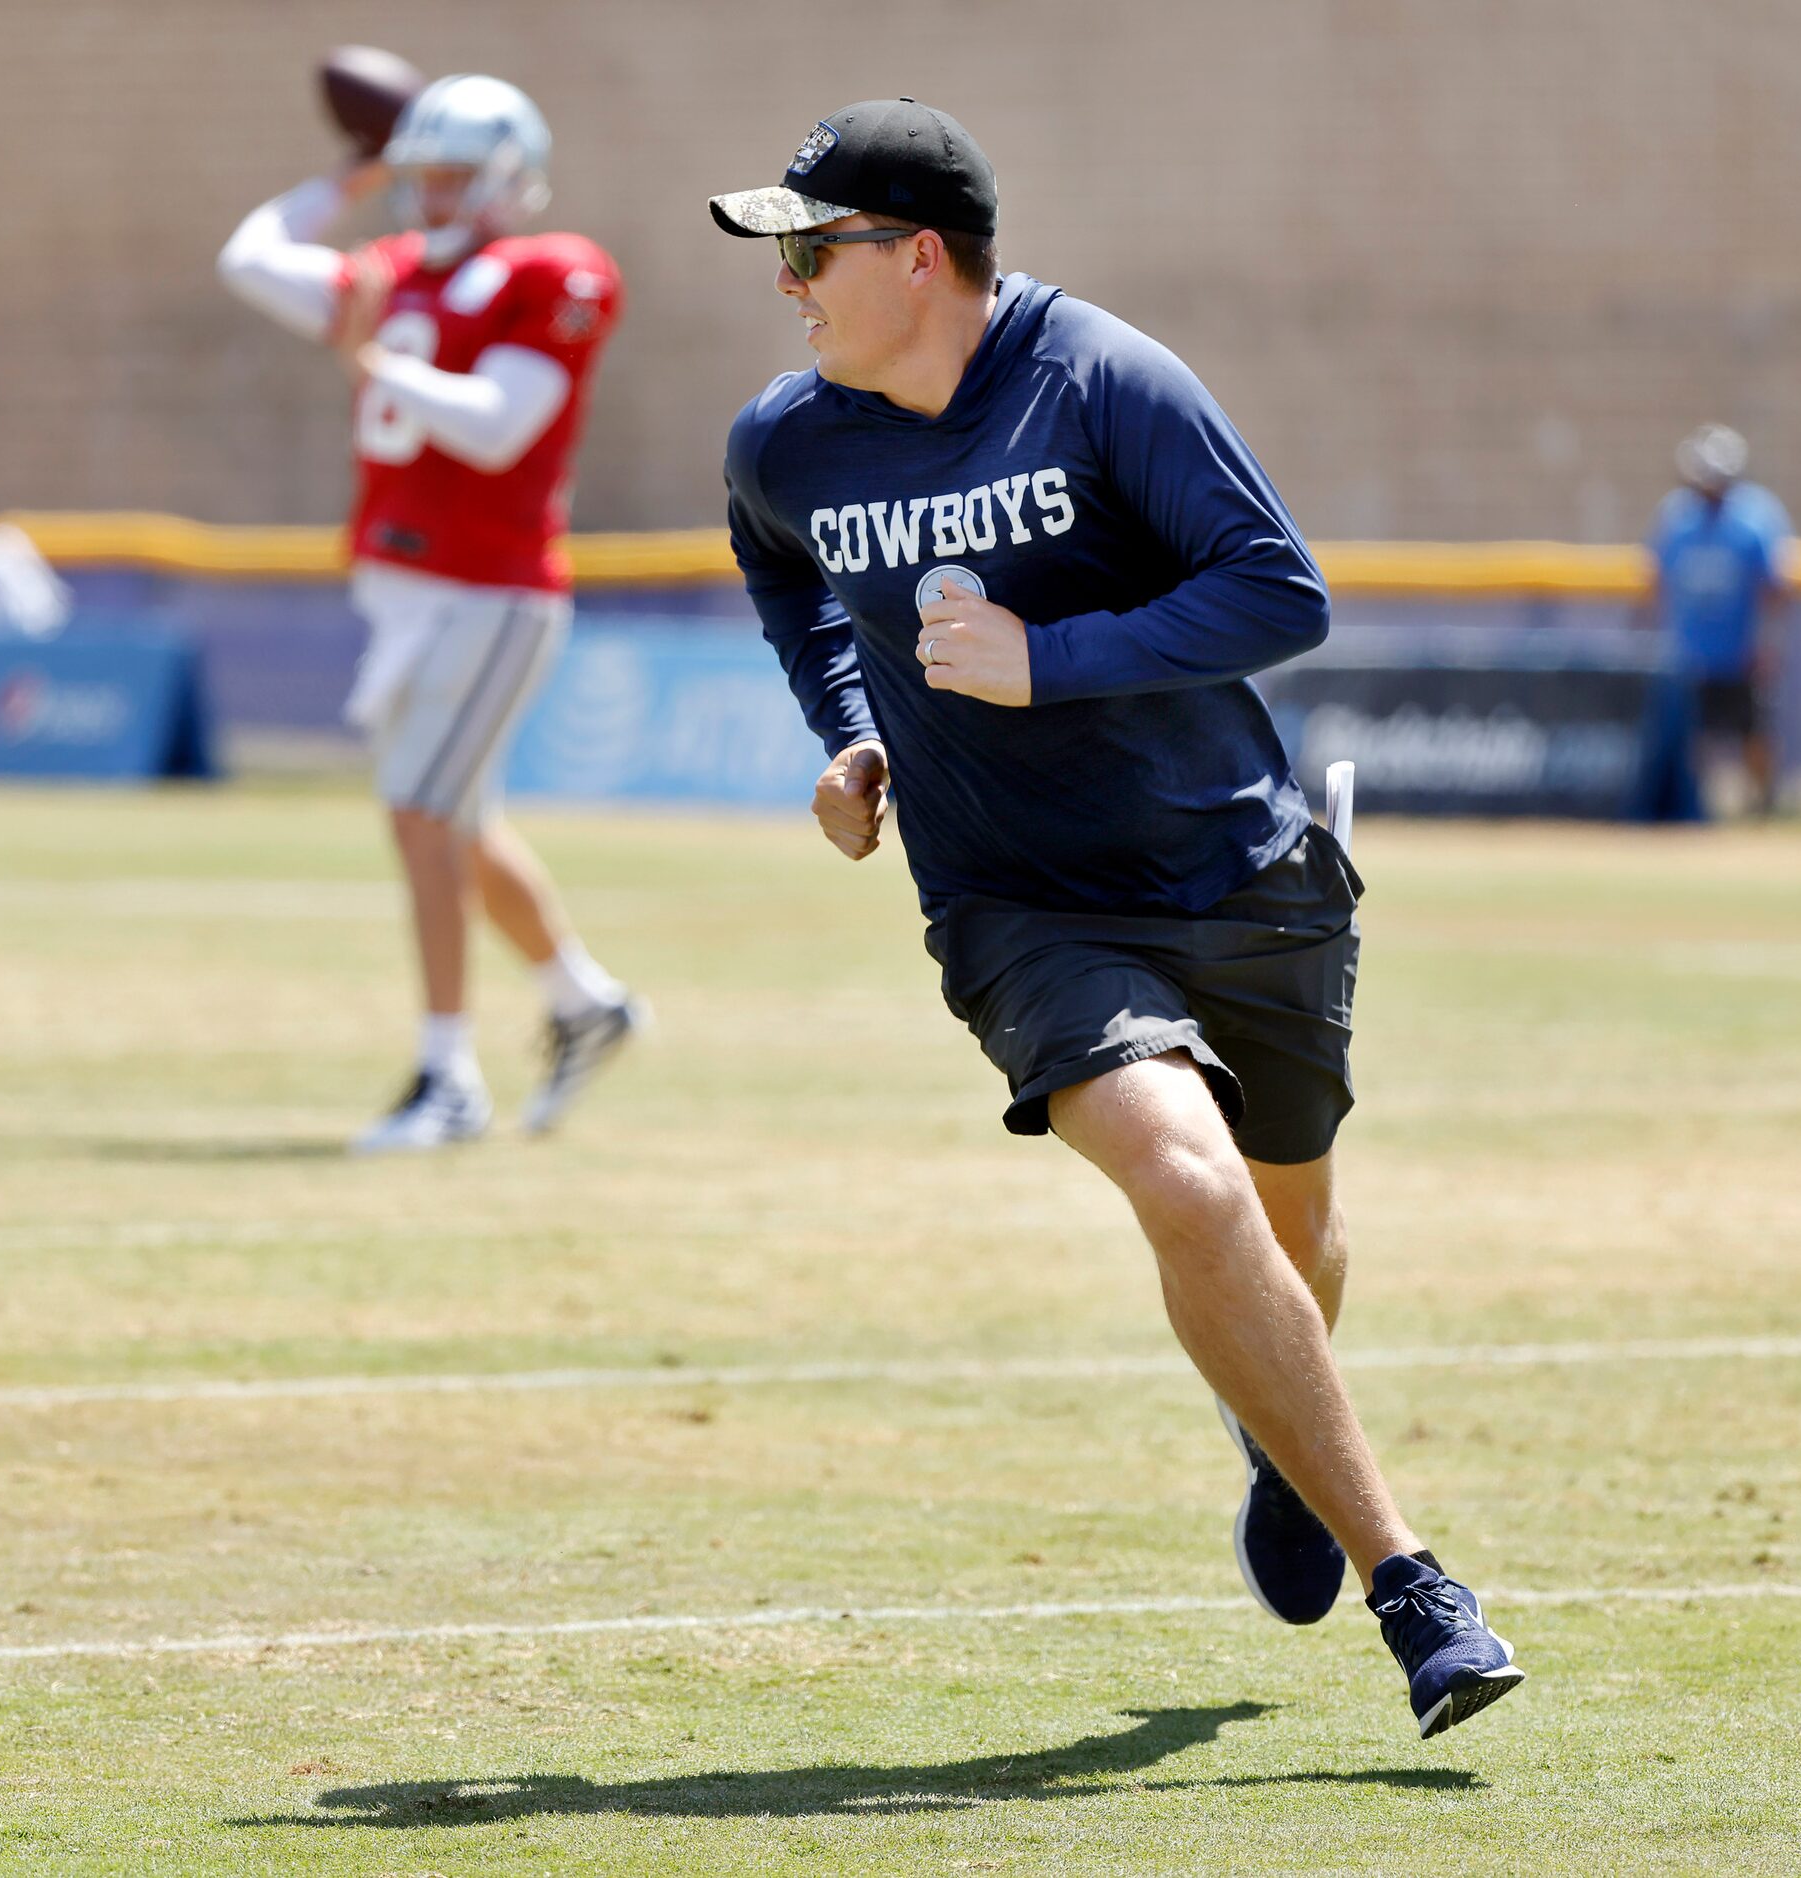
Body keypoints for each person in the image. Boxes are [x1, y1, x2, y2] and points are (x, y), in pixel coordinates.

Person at [712, 98, 1524, 1737]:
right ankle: (1414, 1586)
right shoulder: (788, 441)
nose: (787, 283)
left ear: (914, 254)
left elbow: (1274, 587)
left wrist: (1049, 658)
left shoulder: (1100, 380)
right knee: (1181, 1172)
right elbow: (786, 576)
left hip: (1233, 866)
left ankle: (1278, 1440)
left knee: (1288, 1224)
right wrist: (853, 729)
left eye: (809, 248)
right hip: (1014, 900)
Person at [219, 75, 645, 1153]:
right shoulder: (395, 270)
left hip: (491, 589)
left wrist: (365, 356)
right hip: (407, 588)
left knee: (419, 813)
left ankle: (446, 1075)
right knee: (450, 819)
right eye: (426, 172)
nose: (439, 193)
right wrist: (350, 176)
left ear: (510, 174)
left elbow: (500, 427)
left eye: (457, 172)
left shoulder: (555, 270)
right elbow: (251, 257)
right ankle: (583, 1000)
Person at [1650, 424, 1795, 813]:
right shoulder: (1677, 517)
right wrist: (1651, 641)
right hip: (1690, 653)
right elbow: (1657, 582)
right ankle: (1696, 809)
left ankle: (1764, 807)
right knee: (1691, 739)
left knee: (1754, 734)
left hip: (1740, 652)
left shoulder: (1756, 517)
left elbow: (1775, 589)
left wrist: (1768, 644)